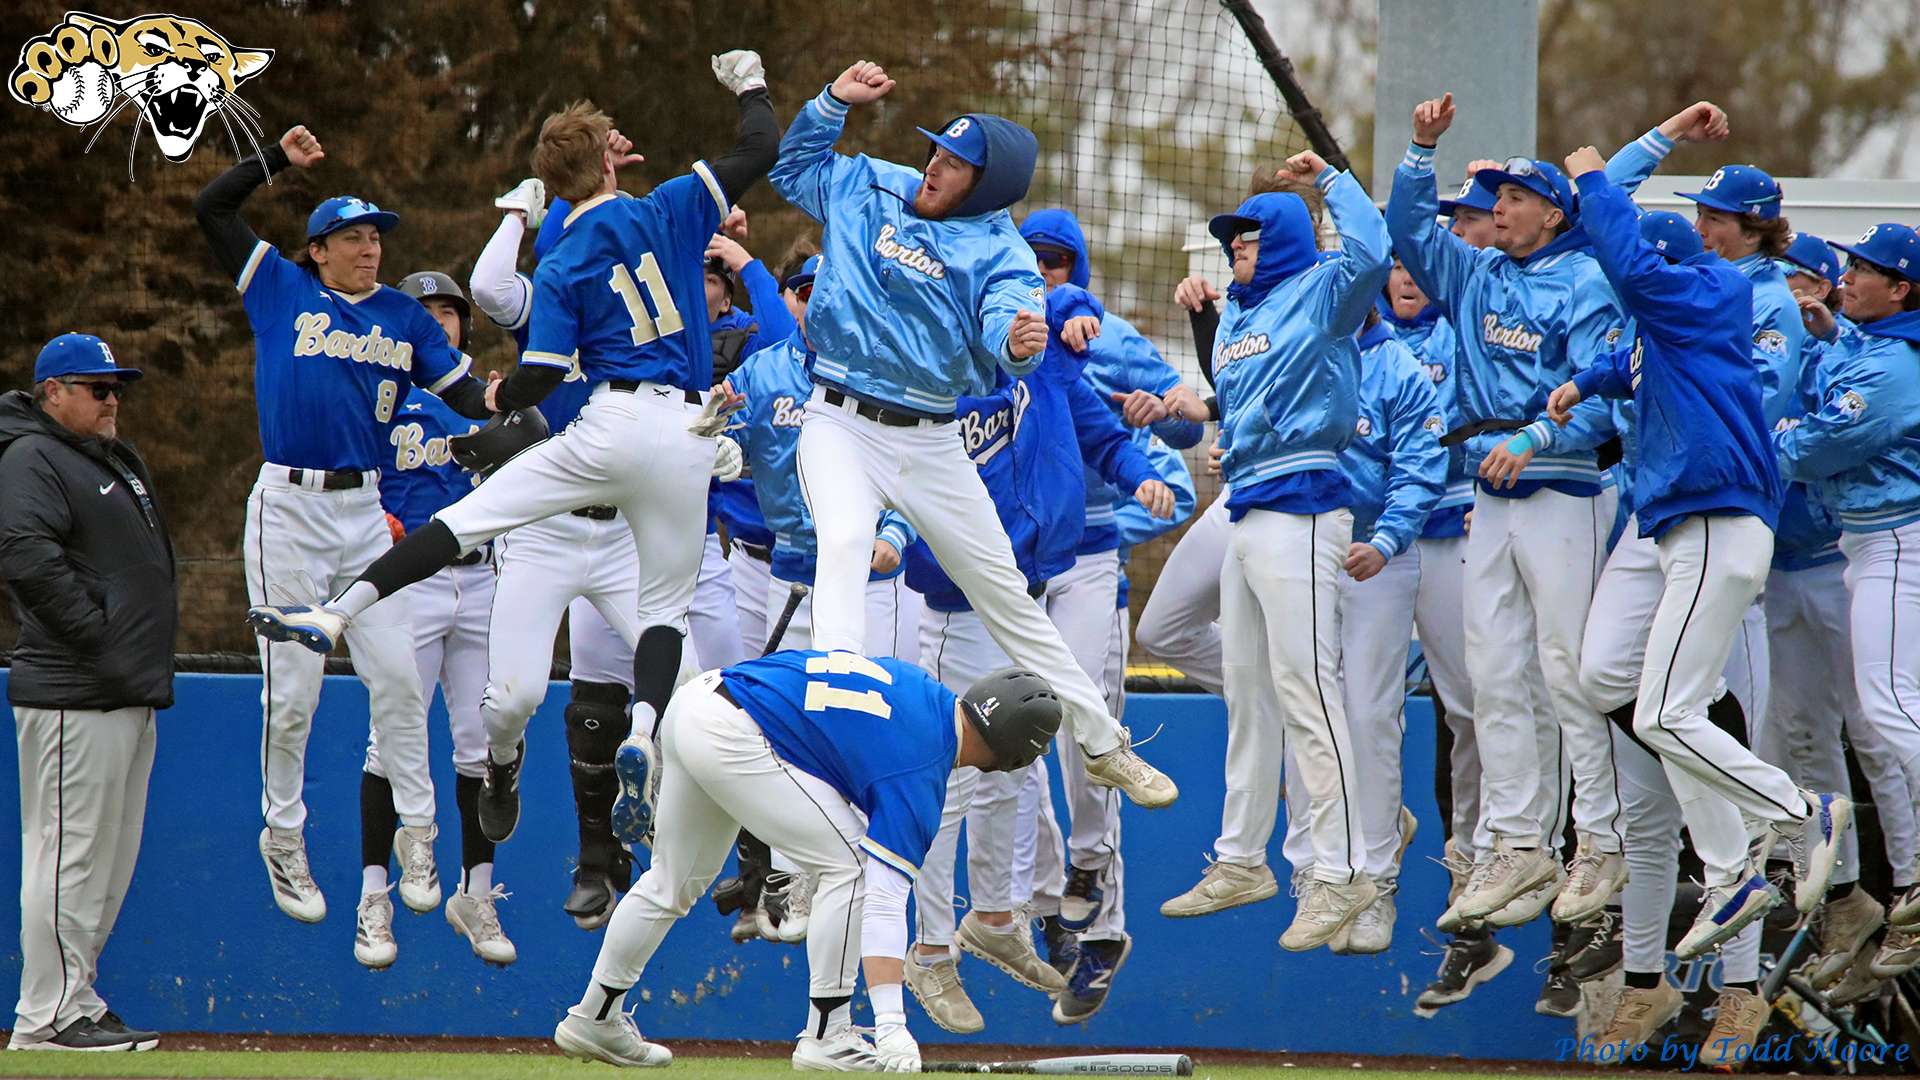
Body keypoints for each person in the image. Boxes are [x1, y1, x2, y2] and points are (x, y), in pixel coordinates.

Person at [245, 54, 781, 860]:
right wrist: (749, 86)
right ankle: (642, 730)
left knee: (463, 521)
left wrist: (495, 404)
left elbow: (537, 374)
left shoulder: (561, 261)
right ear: (609, 159)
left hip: (610, 427)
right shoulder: (672, 205)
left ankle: (337, 612)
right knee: (666, 614)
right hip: (683, 433)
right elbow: (759, 149)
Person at [768, 59, 1174, 808]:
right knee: (848, 541)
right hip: (837, 418)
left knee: (1005, 596)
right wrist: (830, 104)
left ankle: (1104, 743)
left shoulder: (1003, 255)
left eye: (954, 165)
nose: (934, 168)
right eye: (936, 153)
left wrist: (1021, 342)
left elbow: (1009, 328)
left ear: (985, 187)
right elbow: (791, 171)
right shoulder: (873, 184)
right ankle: (833, 710)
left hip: (926, 439)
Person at [1551, 148, 1852, 965]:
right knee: (1627, 687)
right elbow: (1638, 354)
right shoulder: (1681, 312)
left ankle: (1795, 816)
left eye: (1710, 216)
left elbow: (1635, 268)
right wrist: (1586, 382)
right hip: (1689, 525)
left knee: (1663, 715)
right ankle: (1737, 872)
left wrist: (1593, 181)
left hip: (1719, 519)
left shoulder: (1708, 288)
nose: (1699, 224)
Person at [194, 123, 494, 927]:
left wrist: (511, 407)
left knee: (399, 680)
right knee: (291, 695)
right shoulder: (280, 288)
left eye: (374, 237)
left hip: (366, 512)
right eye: (350, 238)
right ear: (317, 250)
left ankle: (421, 835)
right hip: (288, 510)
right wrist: (275, 163)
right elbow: (211, 209)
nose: (368, 249)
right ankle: (284, 836)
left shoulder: (405, 316)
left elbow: (466, 397)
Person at [552, 653, 1062, 1072]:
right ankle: (828, 1033)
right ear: (1017, 755)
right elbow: (885, 904)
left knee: (672, 881)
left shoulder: (920, 687)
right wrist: (892, 1025)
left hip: (698, 700)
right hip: (738, 733)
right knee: (854, 868)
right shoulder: (921, 768)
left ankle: (594, 1015)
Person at [903, 280, 1177, 1031]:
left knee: (1010, 773)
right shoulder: (934, 377)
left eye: (1031, 309)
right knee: (946, 787)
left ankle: (994, 919)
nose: (1024, 321)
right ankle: (929, 954)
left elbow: (1104, 437)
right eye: (1007, 312)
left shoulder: (1052, 368)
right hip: (956, 607)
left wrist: (1143, 475)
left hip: (1020, 593)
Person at [1168, 149, 1392, 950]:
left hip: (1303, 506)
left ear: (1292, 239)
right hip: (1250, 503)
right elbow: (1235, 400)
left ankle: (1337, 872)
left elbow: (1372, 251)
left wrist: (1329, 180)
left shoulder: (1323, 290)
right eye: (1234, 239)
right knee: (1249, 693)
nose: (1239, 248)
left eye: (1254, 237)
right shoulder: (1239, 313)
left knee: (1309, 691)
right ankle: (1241, 859)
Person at [467, 182, 648, 930]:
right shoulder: (544, 297)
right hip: (545, 528)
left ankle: (651, 795)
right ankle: (502, 763)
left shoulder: (640, 310)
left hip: (626, 534)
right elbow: (484, 285)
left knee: (697, 683)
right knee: (513, 698)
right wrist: (520, 209)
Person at [0, 333, 169, 1051]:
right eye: (94, 387)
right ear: (52, 393)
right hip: (76, 690)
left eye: (115, 387)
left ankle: (79, 999)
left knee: (105, 862)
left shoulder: (100, 458)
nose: (110, 398)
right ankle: (48, 1016)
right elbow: (24, 555)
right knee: (67, 856)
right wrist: (98, 634)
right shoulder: (32, 455)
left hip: (122, 688)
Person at [364, 271, 513, 969]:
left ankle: (476, 893)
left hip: (482, 580)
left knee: (483, 745)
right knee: (386, 739)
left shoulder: (481, 397)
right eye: (423, 313)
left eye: (447, 312)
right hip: (410, 585)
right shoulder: (378, 396)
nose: (437, 322)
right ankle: (376, 897)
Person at [1775, 224, 1920, 942]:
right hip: (1866, 542)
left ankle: (1912, 872)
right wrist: (1830, 336)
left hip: (1898, 540)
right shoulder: (1868, 343)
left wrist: (1750, 435)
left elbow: (1818, 443)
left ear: (1901, 290)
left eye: (1865, 270)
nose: (1848, 276)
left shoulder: (1897, 362)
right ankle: (1898, 884)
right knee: (1866, 714)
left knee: (1889, 709)